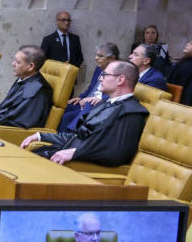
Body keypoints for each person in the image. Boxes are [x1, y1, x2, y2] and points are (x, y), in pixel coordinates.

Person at [20, 60, 149, 166]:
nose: (100, 78)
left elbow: (116, 154)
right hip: (65, 156)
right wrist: (40, 136)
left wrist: (75, 153)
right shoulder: (103, 104)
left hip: (81, 166)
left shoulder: (132, 113)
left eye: (105, 75)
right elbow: (77, 137)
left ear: (120, 80)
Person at [0, 46, 53, 129]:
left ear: (30, 66)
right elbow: (4, 108)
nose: (13, 64)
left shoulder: (37, 91)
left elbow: (21, 123)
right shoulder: (23, 79)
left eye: (18, 62)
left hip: (8, 133)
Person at [58, 43, 118, 132]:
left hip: (98, 105)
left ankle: (69, 137)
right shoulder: (98, 69)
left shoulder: (118, 72)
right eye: (96, 55)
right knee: (62, 108)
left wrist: (98, 100)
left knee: (67, 117)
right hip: (86, 101)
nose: (96, 58)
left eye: (101, 56)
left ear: (112, 58)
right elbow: (91, 88)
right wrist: (80, 97)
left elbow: (116, 95)